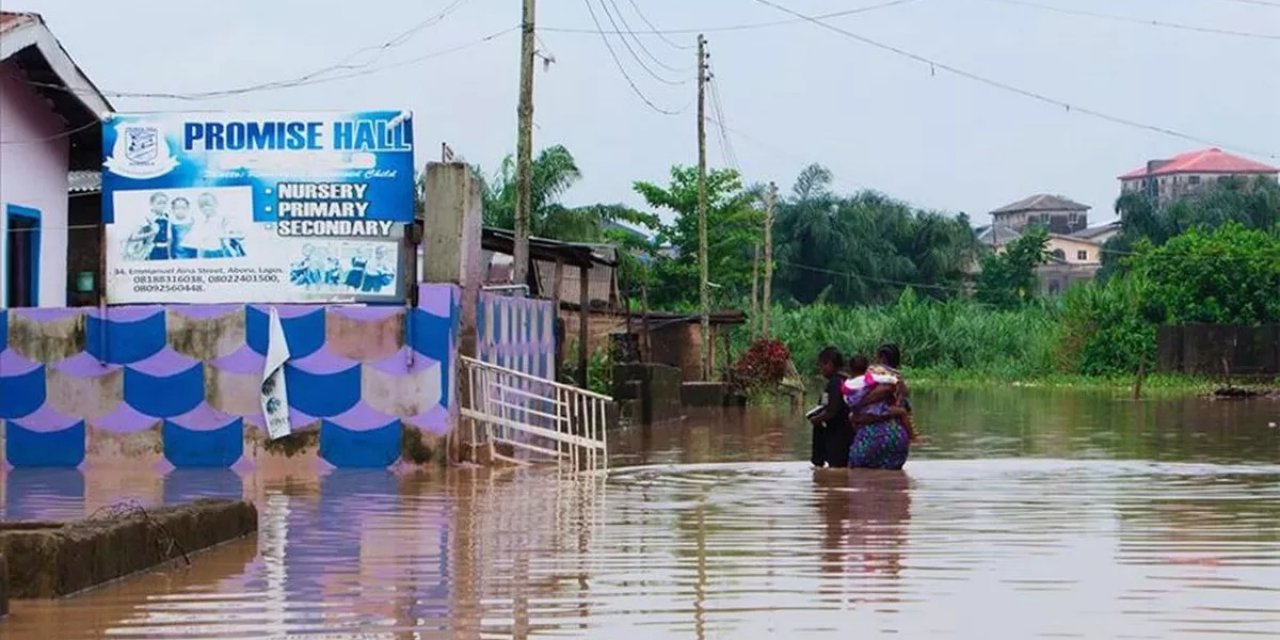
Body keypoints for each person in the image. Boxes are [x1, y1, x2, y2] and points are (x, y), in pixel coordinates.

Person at [845, 350, 913, 469]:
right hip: (898, 439)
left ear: (882, 358)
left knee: (856, 475)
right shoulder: (900, 383)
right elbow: (905, 409)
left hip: (872, 437)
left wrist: (860, 404)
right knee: (895, 482)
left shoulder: (869, 376)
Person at [808, 346, 852, 469]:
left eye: (822, 366)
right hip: (846, 433)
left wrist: (816, 419)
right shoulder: (846, 380)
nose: (821, 370)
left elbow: (832, 410)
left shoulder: (835, 383)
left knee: (836, 467)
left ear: (830, 364)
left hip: (837, 434)